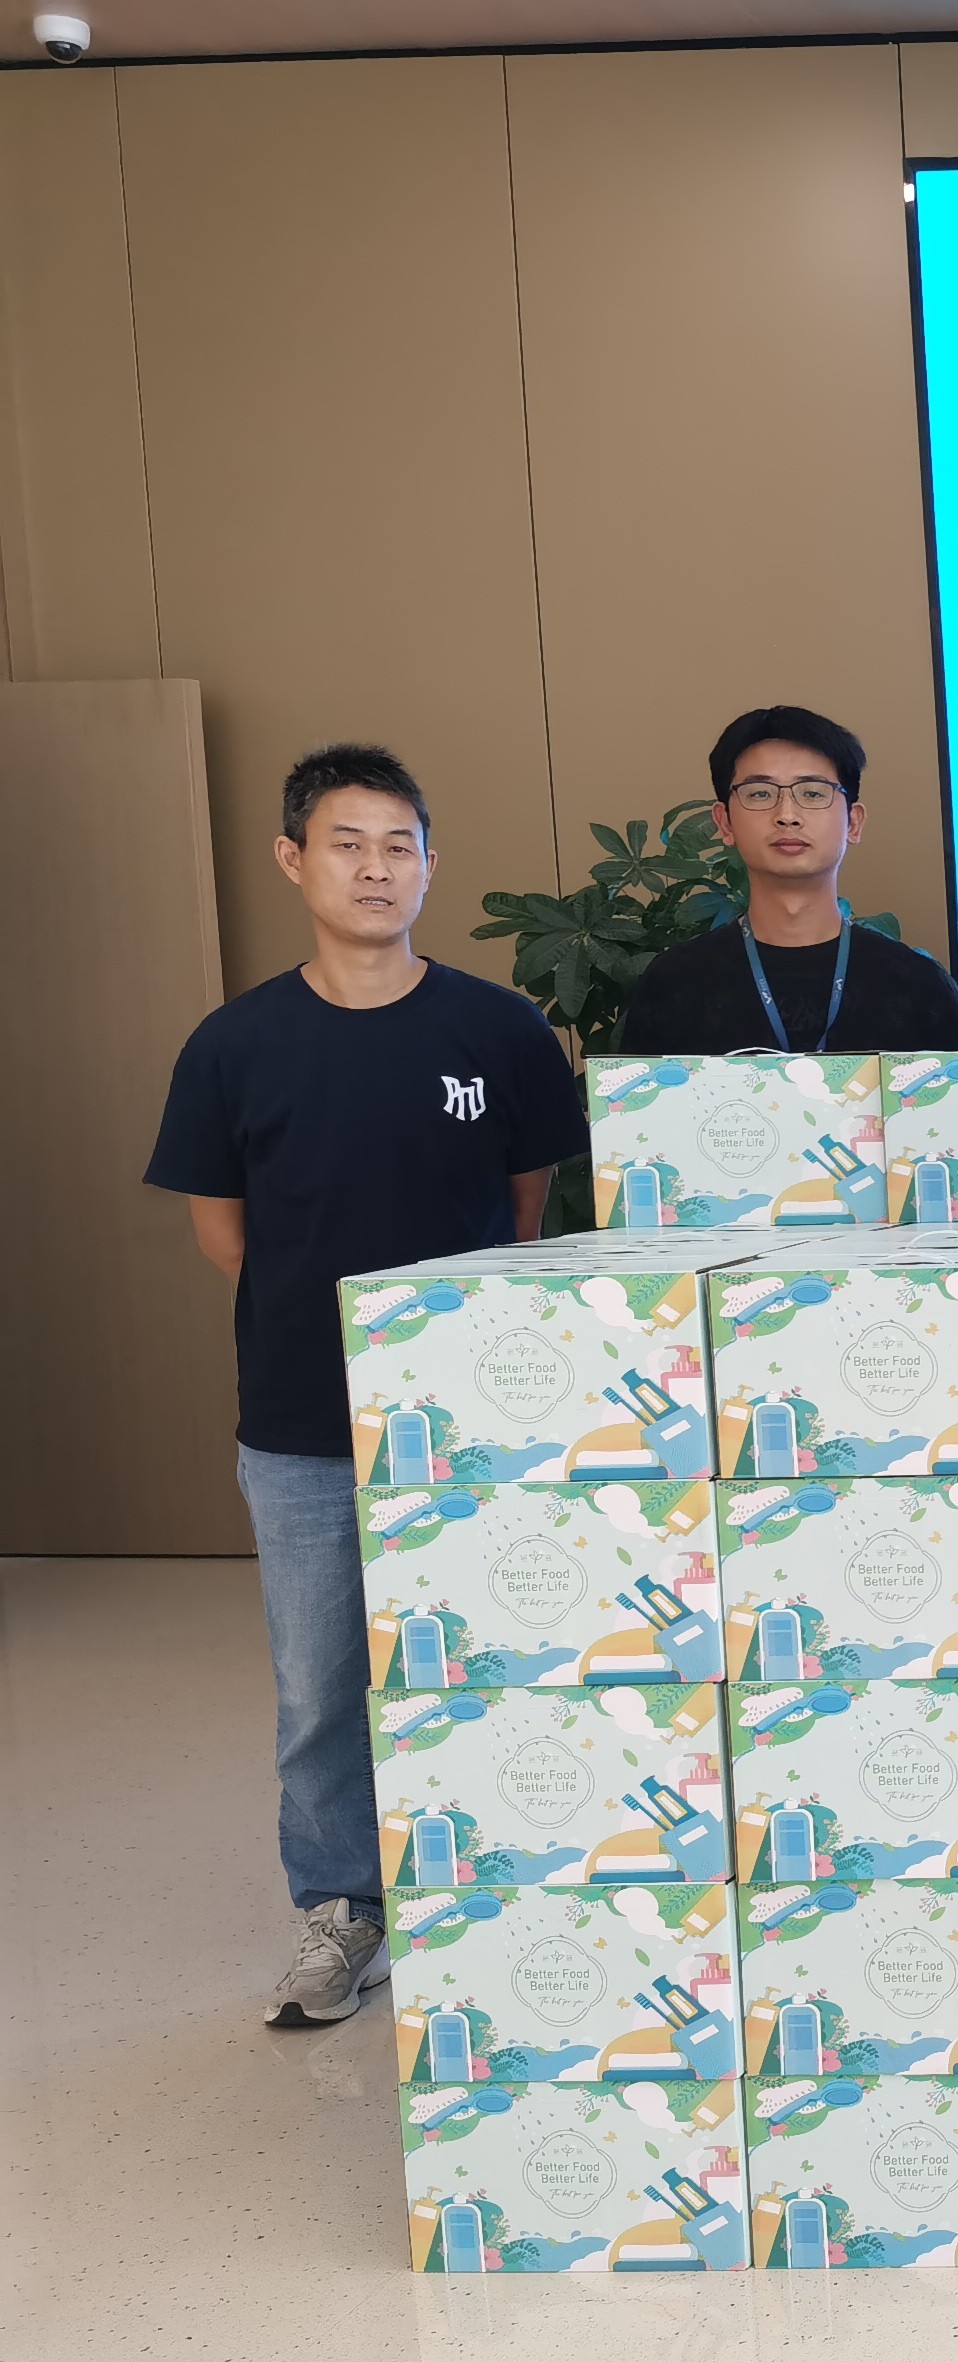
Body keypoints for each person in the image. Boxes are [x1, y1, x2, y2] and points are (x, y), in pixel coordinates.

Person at [145, 746, 584, 2029]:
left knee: (499, 1661)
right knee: (325, 1685)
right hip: (301, 1424)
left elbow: (522, 1212)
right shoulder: (234, 1044)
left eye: (401, 846)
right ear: (295, 860)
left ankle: (510, 1891)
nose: (376, 868)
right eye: (348, 844)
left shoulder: (498, 1030)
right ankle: (344, 1909)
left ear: (431, 866)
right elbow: (226, 1235)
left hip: (482, 1426)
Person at [616, 705, 958, 1054]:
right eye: (760, 793)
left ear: (853, 822)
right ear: (725, 823)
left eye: (812, 793)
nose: (787, 815)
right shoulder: (674, 983)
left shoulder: (921, 988)